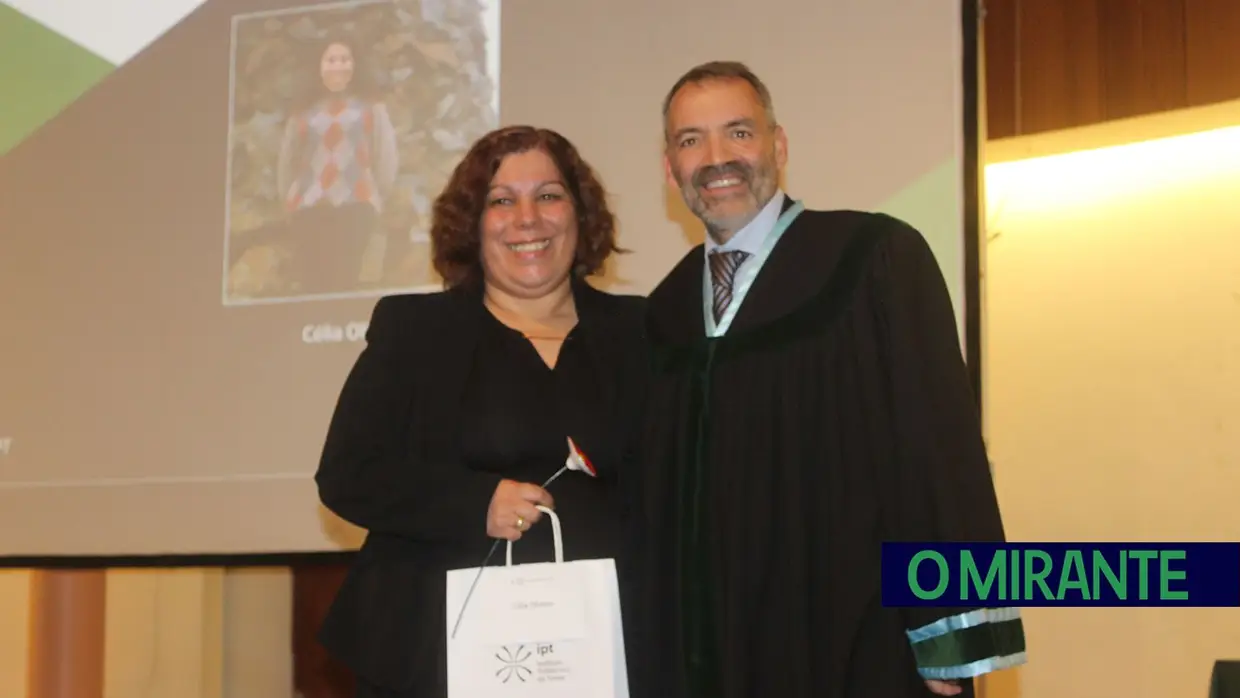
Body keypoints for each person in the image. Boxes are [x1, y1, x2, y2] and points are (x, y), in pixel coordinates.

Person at [626, 61, 1027, 698]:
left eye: (738, 132)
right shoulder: (664, 313)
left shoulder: (872, 258)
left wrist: (948, 632)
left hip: (856, 632)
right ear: (669, 169)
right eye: (690, 140)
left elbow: (935, 449)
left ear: (778, 146)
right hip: (713, 648)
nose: (716, 157)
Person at [314, 125, 648, 697]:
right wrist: (476, 503)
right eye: (501, 200)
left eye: (548, 195)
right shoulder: (415, 331)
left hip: (607, 653)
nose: (527, 219)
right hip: (435, 658)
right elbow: (347, 475)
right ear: (472, 224)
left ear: (580, 212)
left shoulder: (643, 332)